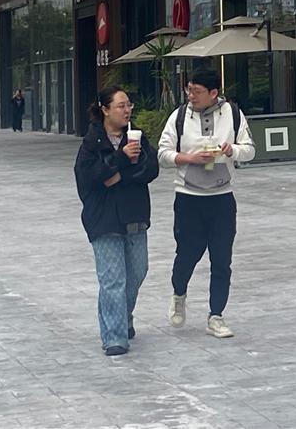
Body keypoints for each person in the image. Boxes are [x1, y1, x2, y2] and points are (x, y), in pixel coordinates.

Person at [157, 69, 255, 338]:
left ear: (213, 93)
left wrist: (232, 150)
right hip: (188, 197)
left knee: (222, 260)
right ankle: (179, 294)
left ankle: (216, 315)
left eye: (196, 91)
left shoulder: (233, 114)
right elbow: (162, 154)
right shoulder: (179, 116)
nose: (191, 96)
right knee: (186, 256)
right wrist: (189, 158)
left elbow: (250, 150)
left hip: (222, 198)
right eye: (189, 90)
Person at [74, 86, 159, 356]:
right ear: (105, 109)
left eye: (128, 105)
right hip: (104, 218)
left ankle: (123, 315)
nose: (127, 110)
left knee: (137, 272)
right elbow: (89, 179)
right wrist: (121, 159)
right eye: (121, 105)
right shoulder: (92, 143)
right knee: (112, 280)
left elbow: (150, 168)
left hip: (134, 214)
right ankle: (114, 336)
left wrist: (120, 175)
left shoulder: (137, 136)